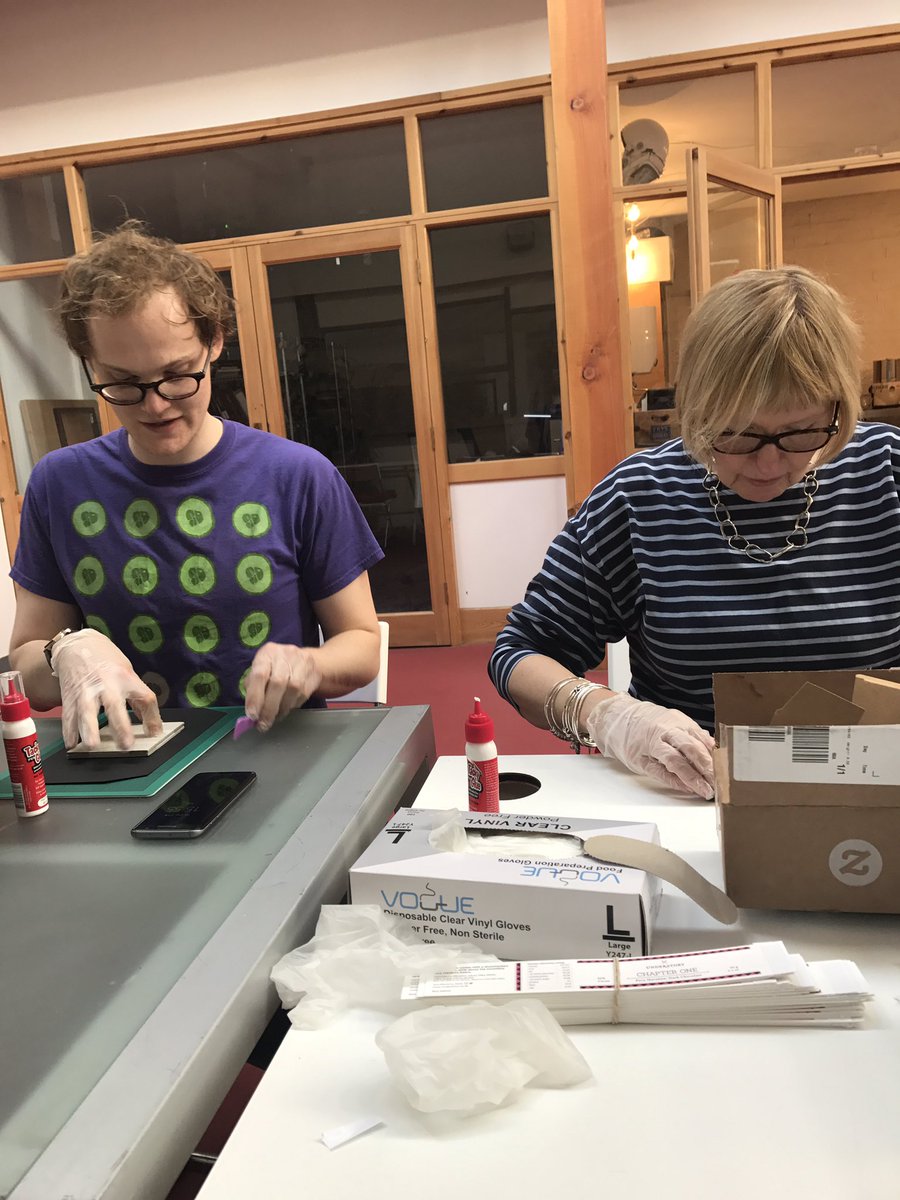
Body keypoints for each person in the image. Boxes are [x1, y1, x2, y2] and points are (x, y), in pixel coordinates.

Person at [488, 264, 900, 799]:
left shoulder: (886, 474)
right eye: (738, 433)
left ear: (838, 409)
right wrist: (609, 717)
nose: (768, 464)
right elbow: (520, 653)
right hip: (688, 796)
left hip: (869, 790)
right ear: (698, 410)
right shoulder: (639, 497)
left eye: (801, 432)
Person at [9, 222, 384, 750]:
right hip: (125, 759)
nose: (155, 405)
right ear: (89, 362)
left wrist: (311, 664)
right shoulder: (60, 484)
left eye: (177, 374)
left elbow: (362, 645)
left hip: (271, 750)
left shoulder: (297, 475)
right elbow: (26, 665)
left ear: (214, 343)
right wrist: (64, 652)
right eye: (122, 381)